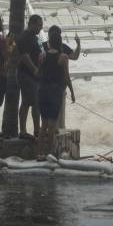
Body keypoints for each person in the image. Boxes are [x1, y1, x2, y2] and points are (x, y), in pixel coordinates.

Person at [37, 25, 79, 156]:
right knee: (53, 126)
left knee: (43, 125)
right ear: (60, 42)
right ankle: (49, 153)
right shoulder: (63, 57)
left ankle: (39, 154)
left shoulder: (42, 55)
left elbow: (39, 73)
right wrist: (72, 92)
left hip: (43, 91)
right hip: (55, 92)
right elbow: (66, 77)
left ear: (49, 41)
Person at [15, 14, 43, 140]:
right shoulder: (26, 36)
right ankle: (23, 131)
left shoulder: (32, 37)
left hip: (32, 75)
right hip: (26, 74)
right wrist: (35, 69)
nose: (40, 28)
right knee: (27, 102)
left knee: (34, 102)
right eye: (38, 25)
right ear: (31, 24)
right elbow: (25, 56)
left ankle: (37, 130)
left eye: (41, 26)